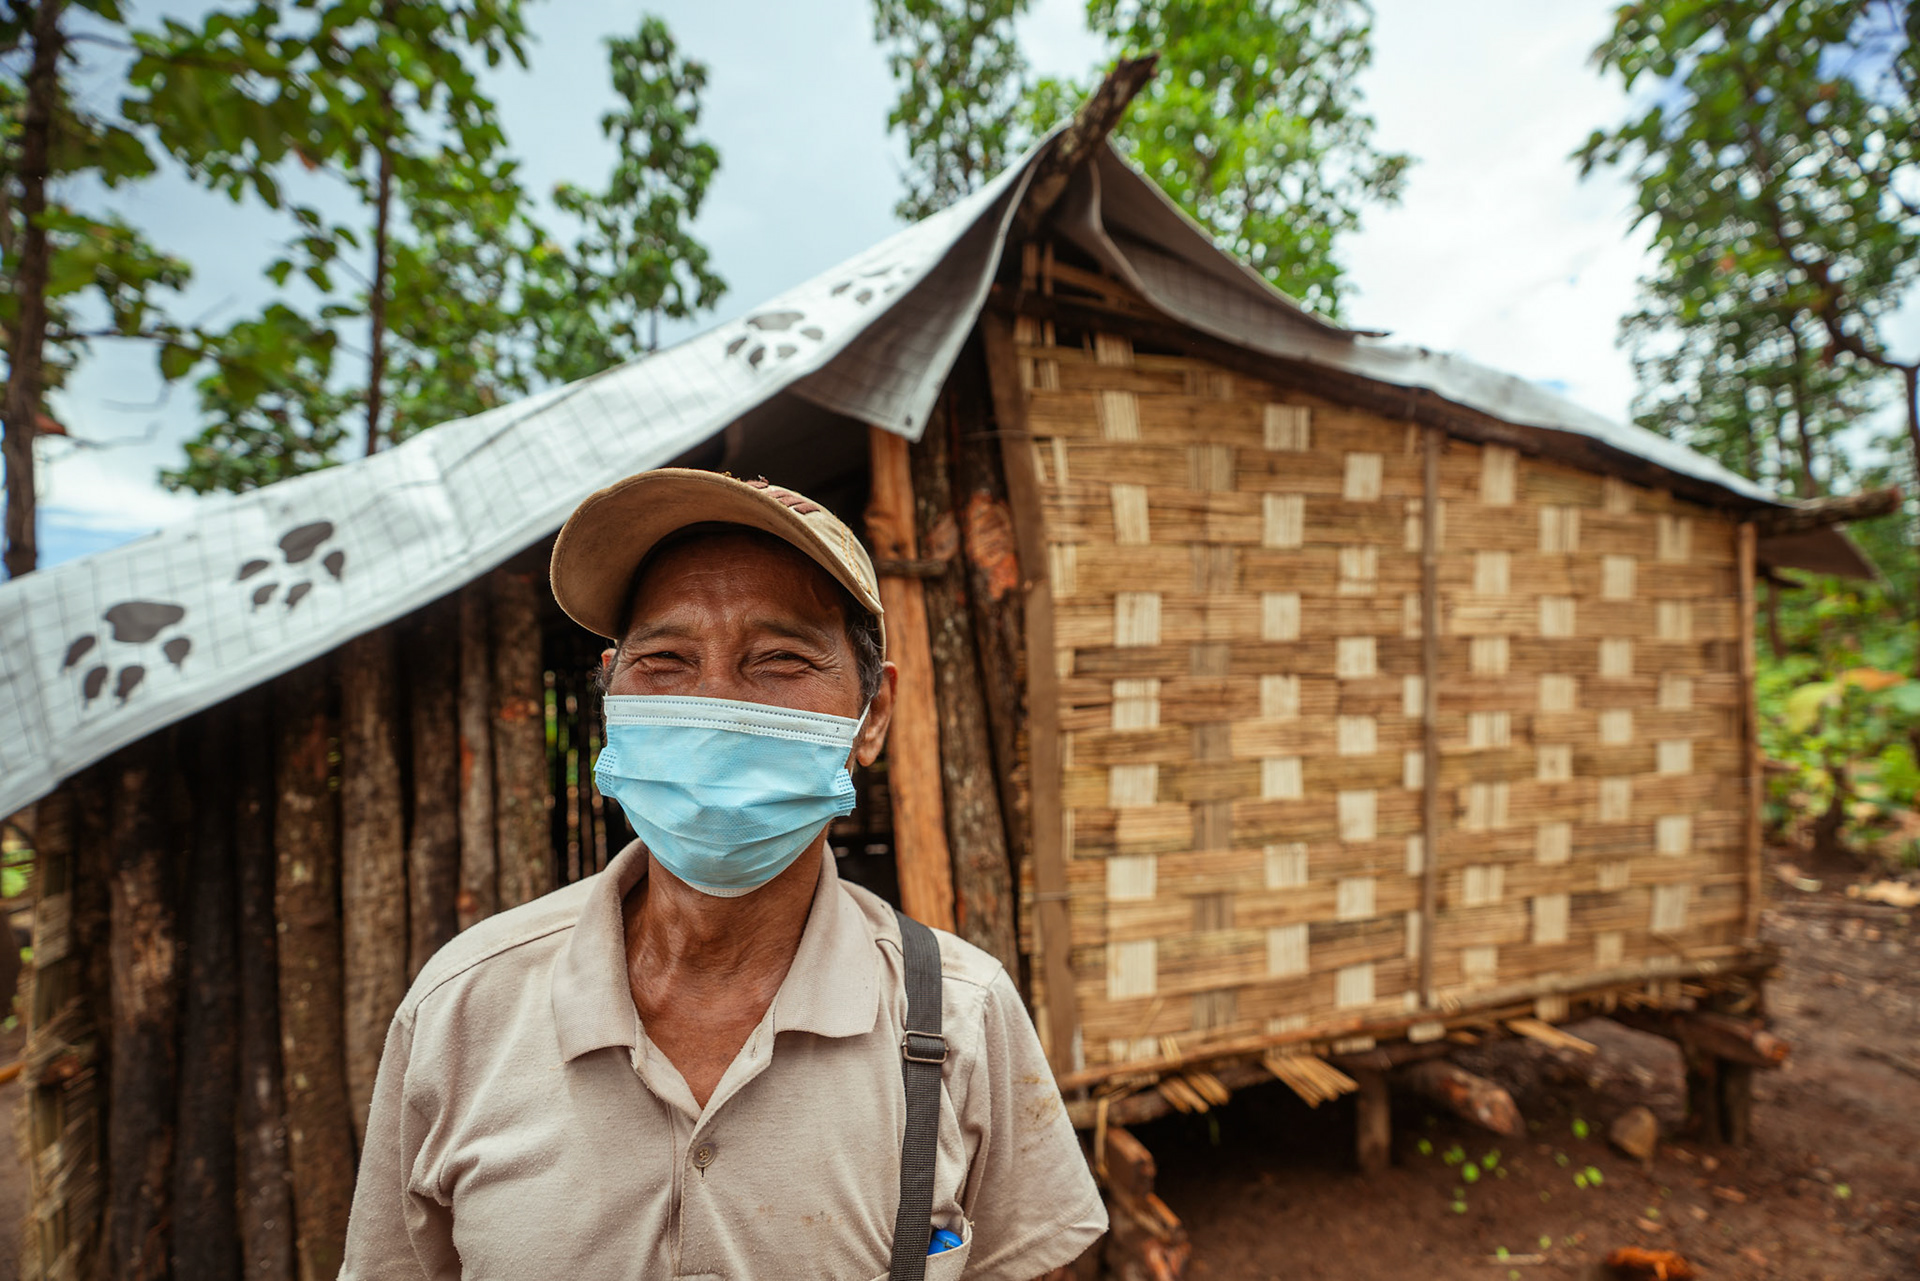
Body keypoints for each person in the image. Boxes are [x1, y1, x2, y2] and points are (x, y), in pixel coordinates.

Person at [340, 469, 1105, 1279]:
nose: (714, 706)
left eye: (779, 658)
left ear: (871, 714)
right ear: (611, 691)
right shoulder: (461, 1008)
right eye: (665, 659)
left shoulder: (961, 1015)